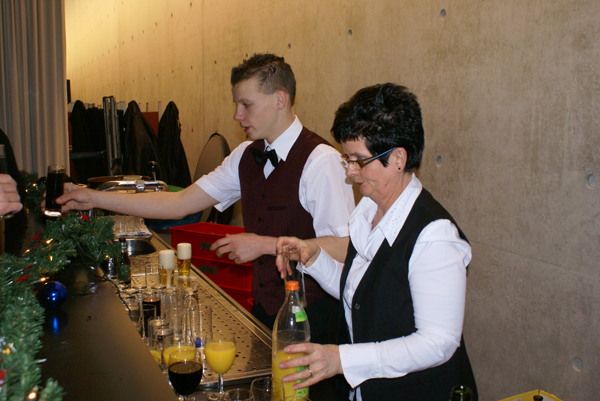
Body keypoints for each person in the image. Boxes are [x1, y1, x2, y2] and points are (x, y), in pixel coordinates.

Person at [55, 53, 355, 344]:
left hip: (315, 320)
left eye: (246, 104)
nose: (237, 115)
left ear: (280, 99)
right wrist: (96, 198)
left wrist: (265, 245)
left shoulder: (321, 161)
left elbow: (345, 248)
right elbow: (179, 203)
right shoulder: (245, 155)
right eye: (236, 104)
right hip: (266, 311)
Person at [274, 83, 478, 401]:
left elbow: (438, 342)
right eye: (347, 158)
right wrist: (313, 257)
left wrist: (343, 360)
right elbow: (360, 295)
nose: (351, 172)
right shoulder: (368, 210)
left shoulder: (434, 236)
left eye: (359, 160)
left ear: (398, 158)